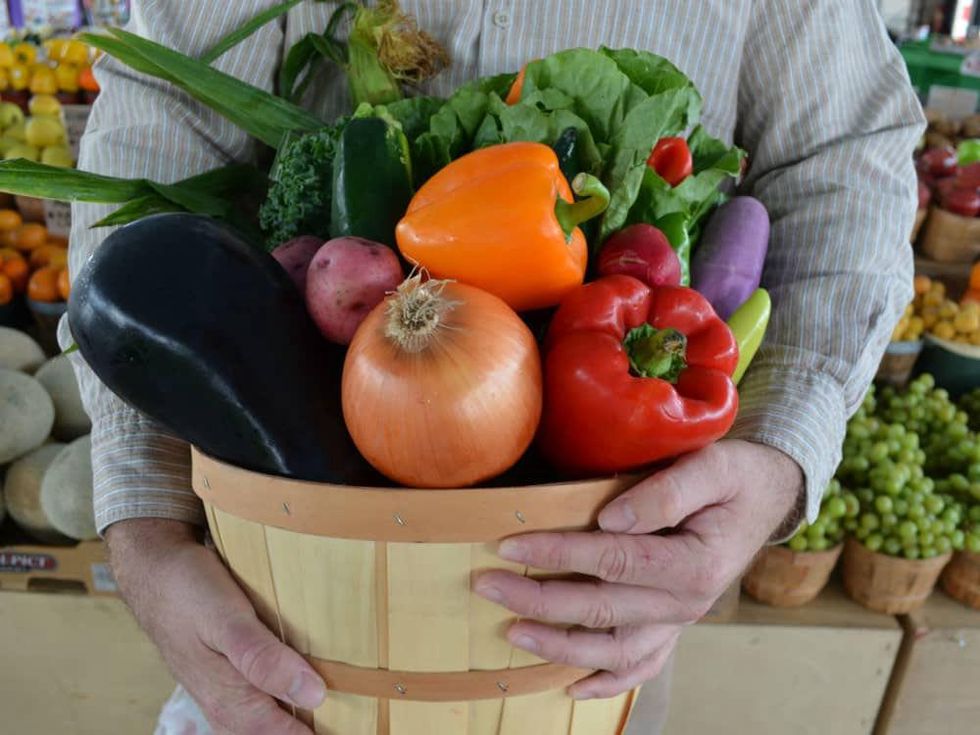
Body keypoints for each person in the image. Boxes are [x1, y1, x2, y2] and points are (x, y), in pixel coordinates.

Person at [61, 2, 924, 733]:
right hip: (274, 613)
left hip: (583, 654)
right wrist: (147, 525)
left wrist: (779, 450)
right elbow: (161, 125)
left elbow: (845, 159)